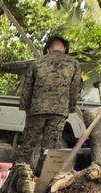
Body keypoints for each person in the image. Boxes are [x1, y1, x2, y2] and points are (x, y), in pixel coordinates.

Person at [15, 34, 82, 165]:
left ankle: (19, 175)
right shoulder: (74, 64)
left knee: (27, 146)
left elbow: (27, 87)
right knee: (49, 149)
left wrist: (25, 107)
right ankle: (41, 179)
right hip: (59, 112)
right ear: (64, 49)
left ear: (48, 49)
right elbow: (75, 89)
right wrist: (70, 108)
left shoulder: (38, 62)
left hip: (37, 110)